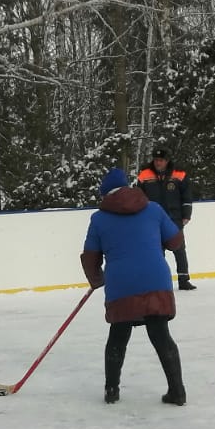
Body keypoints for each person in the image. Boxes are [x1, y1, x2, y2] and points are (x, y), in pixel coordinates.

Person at [80, 167, 187, 405]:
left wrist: (96, 279)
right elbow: (175, 242)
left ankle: (112, 391)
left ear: (105, 194)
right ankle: (177, 391)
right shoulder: (154, 209)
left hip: (121, 284)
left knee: (118, 336)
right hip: (155, 280)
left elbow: (90, 257)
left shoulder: (99, 218)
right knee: (161, 336)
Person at [135, 145, 196, 290]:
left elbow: (186, 196)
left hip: (174, 219)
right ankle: (159, 281)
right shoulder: (144, 175)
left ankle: (184, 279)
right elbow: (138, 198)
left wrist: (186, 215)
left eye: (161, 160)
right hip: (153, 220)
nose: (157, 163)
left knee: (179, 249)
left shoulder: (179, 174)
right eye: (156, 160)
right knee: (157, 252)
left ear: (167, 160)